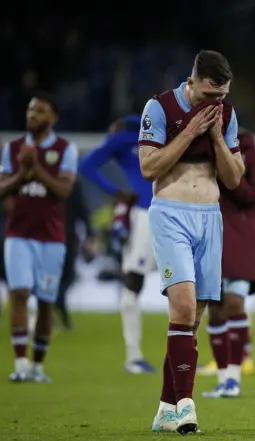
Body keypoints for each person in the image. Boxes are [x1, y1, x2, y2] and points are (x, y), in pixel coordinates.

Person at [138, 50, 244, 434]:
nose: (215, 103)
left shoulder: (226, 116)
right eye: (208, 95)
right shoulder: (161, 107)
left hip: (209, 220)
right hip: (170, 214)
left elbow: (234, 179)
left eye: (222, 96)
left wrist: (215, 135)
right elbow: (148, 167)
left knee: (192, 320)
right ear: (193, 81)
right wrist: (189, 132)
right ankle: (186, 406)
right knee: (181, 309)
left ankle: (166, 408)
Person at [0, 92, 78, 382]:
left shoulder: (65, 149)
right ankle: (20, 364)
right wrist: (22, 174)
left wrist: (36, 170)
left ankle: (37, 366)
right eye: (30, 110)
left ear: (52, 117)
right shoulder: (13, 148)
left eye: (40, 111)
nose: (32, 115)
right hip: (18, 234)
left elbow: (64, 191)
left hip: (51, 238)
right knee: (19, 293)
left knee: (46, 300)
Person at [79, 114, 157, 373]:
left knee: (183, 285)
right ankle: (133, 358)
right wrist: (117, 192)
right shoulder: (127, 138)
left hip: (171, 212)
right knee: (134, 279)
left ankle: (183, 358)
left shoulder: (152, 136)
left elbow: (89, 165)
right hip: (146, 215)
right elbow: (87, 166)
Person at [202, 126, 255, 398]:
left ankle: (234, 379)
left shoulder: (253, 155)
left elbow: (250, 195)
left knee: (235, 303)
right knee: (214, 309)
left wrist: (227, 172)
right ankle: (222, 378)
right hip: (208, 233)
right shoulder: (203, 151)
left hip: (240, 237)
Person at [55, 178, 97, 330]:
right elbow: (82, 209)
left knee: (59, 277)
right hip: (66, 235)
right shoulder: (73, 181)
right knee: (68, 276)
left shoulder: (48, 176)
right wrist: (89, 232)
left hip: (52, 234)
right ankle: (57, 306)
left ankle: (55, 308)